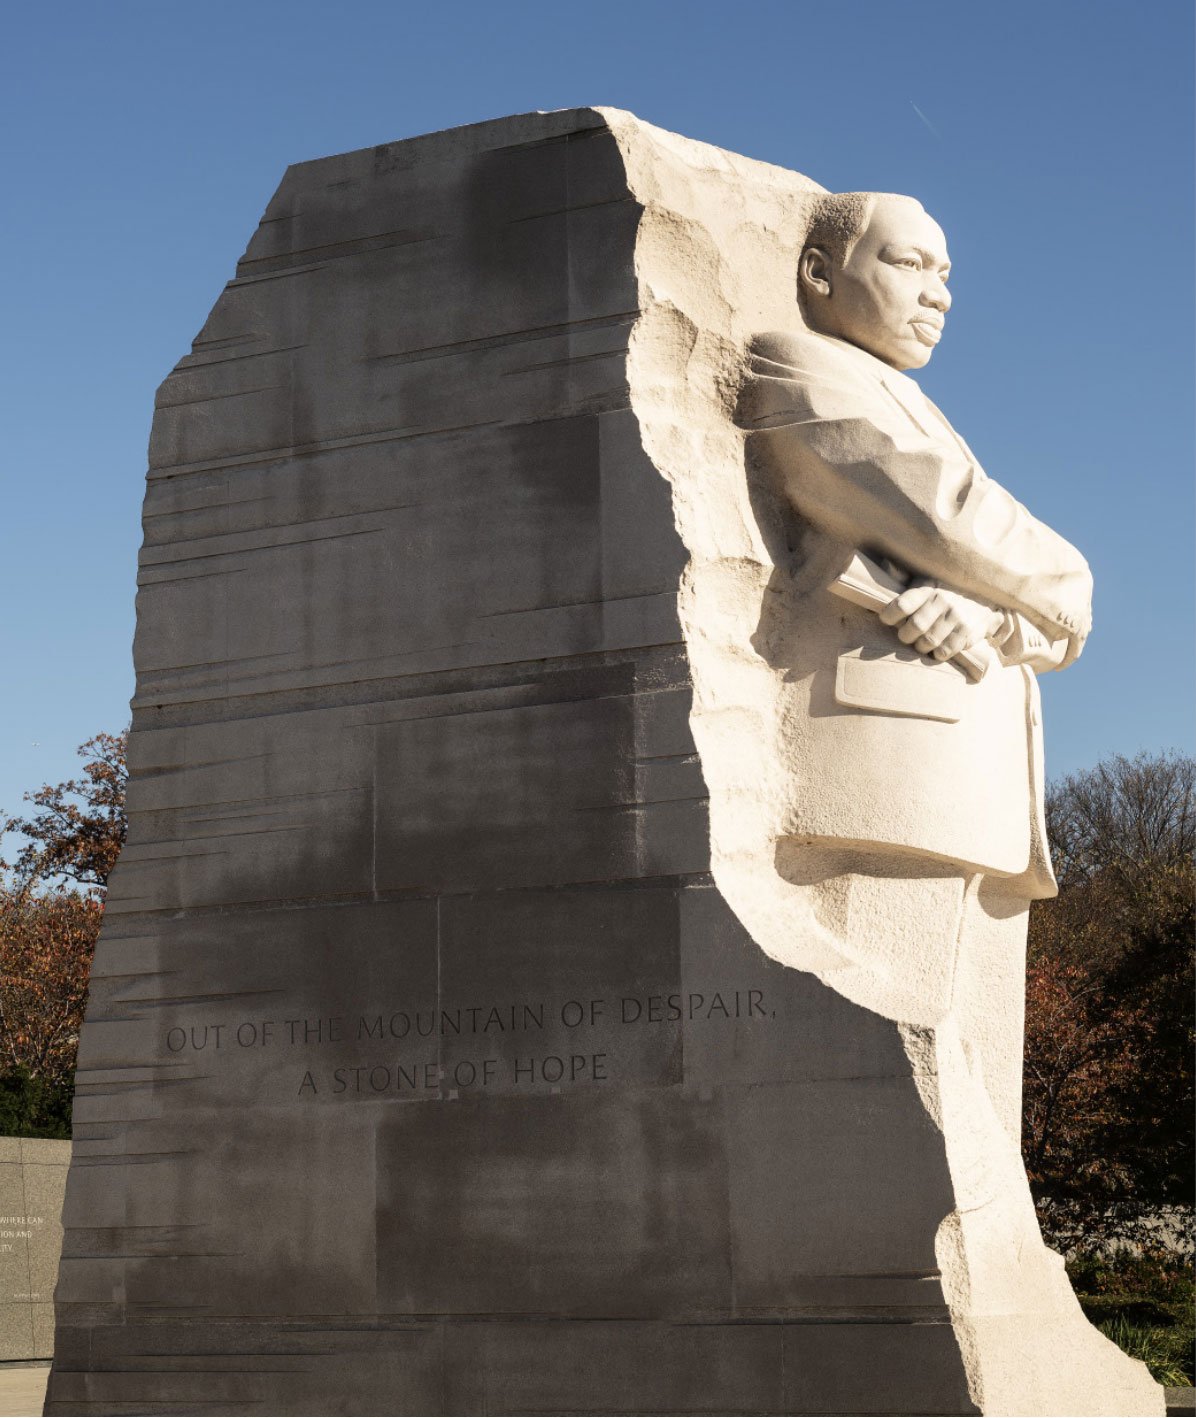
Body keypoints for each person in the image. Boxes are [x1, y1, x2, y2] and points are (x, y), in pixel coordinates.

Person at [737, 191, 1093, 1139]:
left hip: (965, 784)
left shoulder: (907, 397)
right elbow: (951, 515)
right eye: (908, 264)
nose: (938, 294)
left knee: (973, 1103)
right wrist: (1061, 581)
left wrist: (992, 609)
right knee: (884, 1103)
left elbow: (1034, 609)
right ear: (820, 274)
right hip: (883, 772)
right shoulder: (800, 363)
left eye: (946, 274)